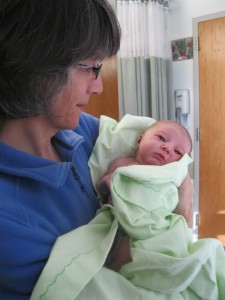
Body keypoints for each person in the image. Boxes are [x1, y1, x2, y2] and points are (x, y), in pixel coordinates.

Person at [0, 1, 193, 299]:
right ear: (35, 65)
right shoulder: (8, 220)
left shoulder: (80, 130)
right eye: (90, 67)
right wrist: (181, 213)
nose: (98, 87)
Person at [98, 120, 192, 207]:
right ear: (139, 141)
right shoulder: (121, 163)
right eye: (161, 138)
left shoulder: (169, 178)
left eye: (177, 151)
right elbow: (103, 189)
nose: (167, 148)